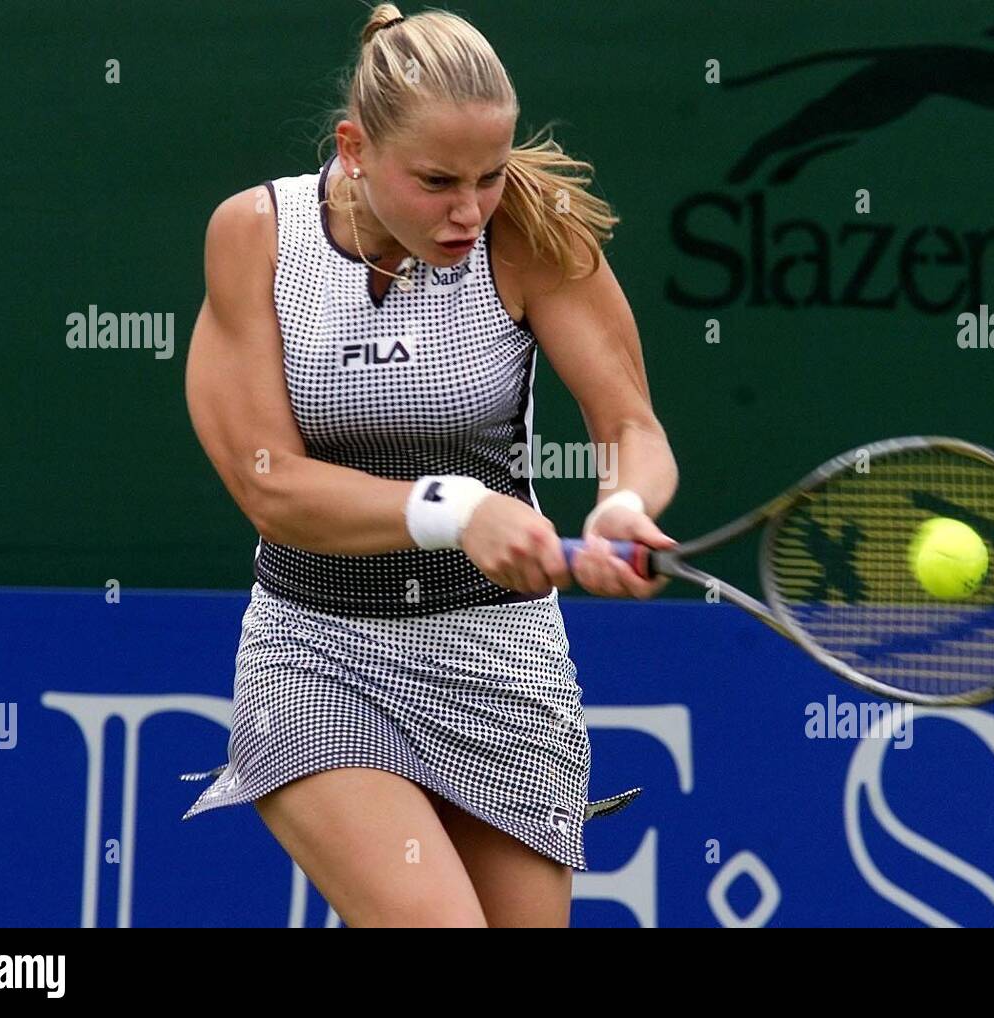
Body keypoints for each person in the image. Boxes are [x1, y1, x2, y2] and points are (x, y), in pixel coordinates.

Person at [179, 3, 678, 928]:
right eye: (438, 180)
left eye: (490, 175)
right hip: (317, 649)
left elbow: (630, 426)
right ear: (356, 148)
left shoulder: (527, 230)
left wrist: (623, 503)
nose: (468, 210)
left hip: (500, 658)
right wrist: (458, 509)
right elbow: (267, 486)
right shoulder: (255, 234)